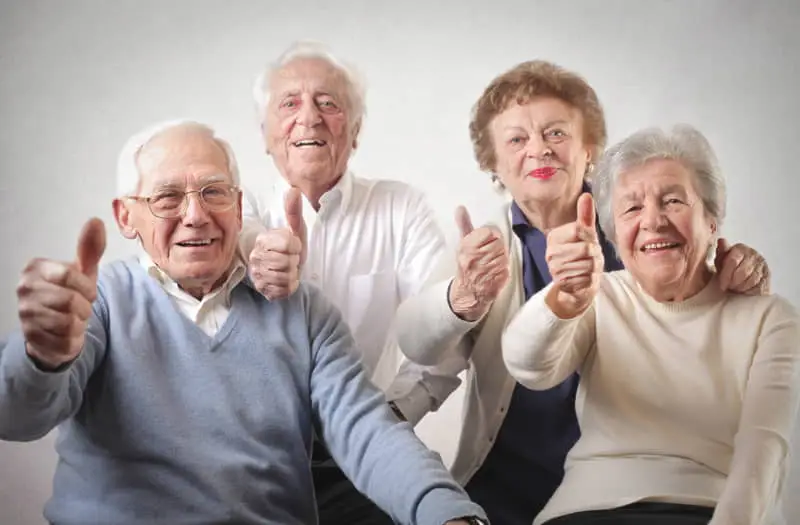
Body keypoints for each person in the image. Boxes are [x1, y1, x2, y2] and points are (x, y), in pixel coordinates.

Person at [0, 120, 487, 525]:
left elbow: (367, 430)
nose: (195, 215)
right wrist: (42, 357)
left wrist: (448, 514)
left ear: (237, 205)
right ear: (126, 217)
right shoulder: (100, 301)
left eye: (213, 192)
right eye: (168, 198)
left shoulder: (303, 310)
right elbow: (16, 417)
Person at [393, 60, 772, 525]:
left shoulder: (641, 231)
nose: (539, 151)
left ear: (589, 148)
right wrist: (463, 297)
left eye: (556, 133)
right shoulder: (484, 249)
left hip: (627, 490)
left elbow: (709, 317)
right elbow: (419, 349)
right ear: (493, 163)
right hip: (506, 486)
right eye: (516, 139)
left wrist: (740, 272)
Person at [501, 124, 800, 525]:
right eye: (632, 208)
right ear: (614, 236)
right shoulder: (599, 296)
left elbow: (765, 445)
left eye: (673, 200)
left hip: (709, 509)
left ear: (711, 220)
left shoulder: (769, 318)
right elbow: (529, 367)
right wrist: (564, 299)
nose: (653, 221)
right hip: (587, 512)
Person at [240, 41, 464, 525]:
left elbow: (443, 335)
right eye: (289, 103)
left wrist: (393, 416)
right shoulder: (238, 209)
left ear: (355, 131)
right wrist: (260, 252)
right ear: (265, 134)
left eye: (328, 103)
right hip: (252, 463)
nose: (309, 117)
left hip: (361, 460)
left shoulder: (399, 208)